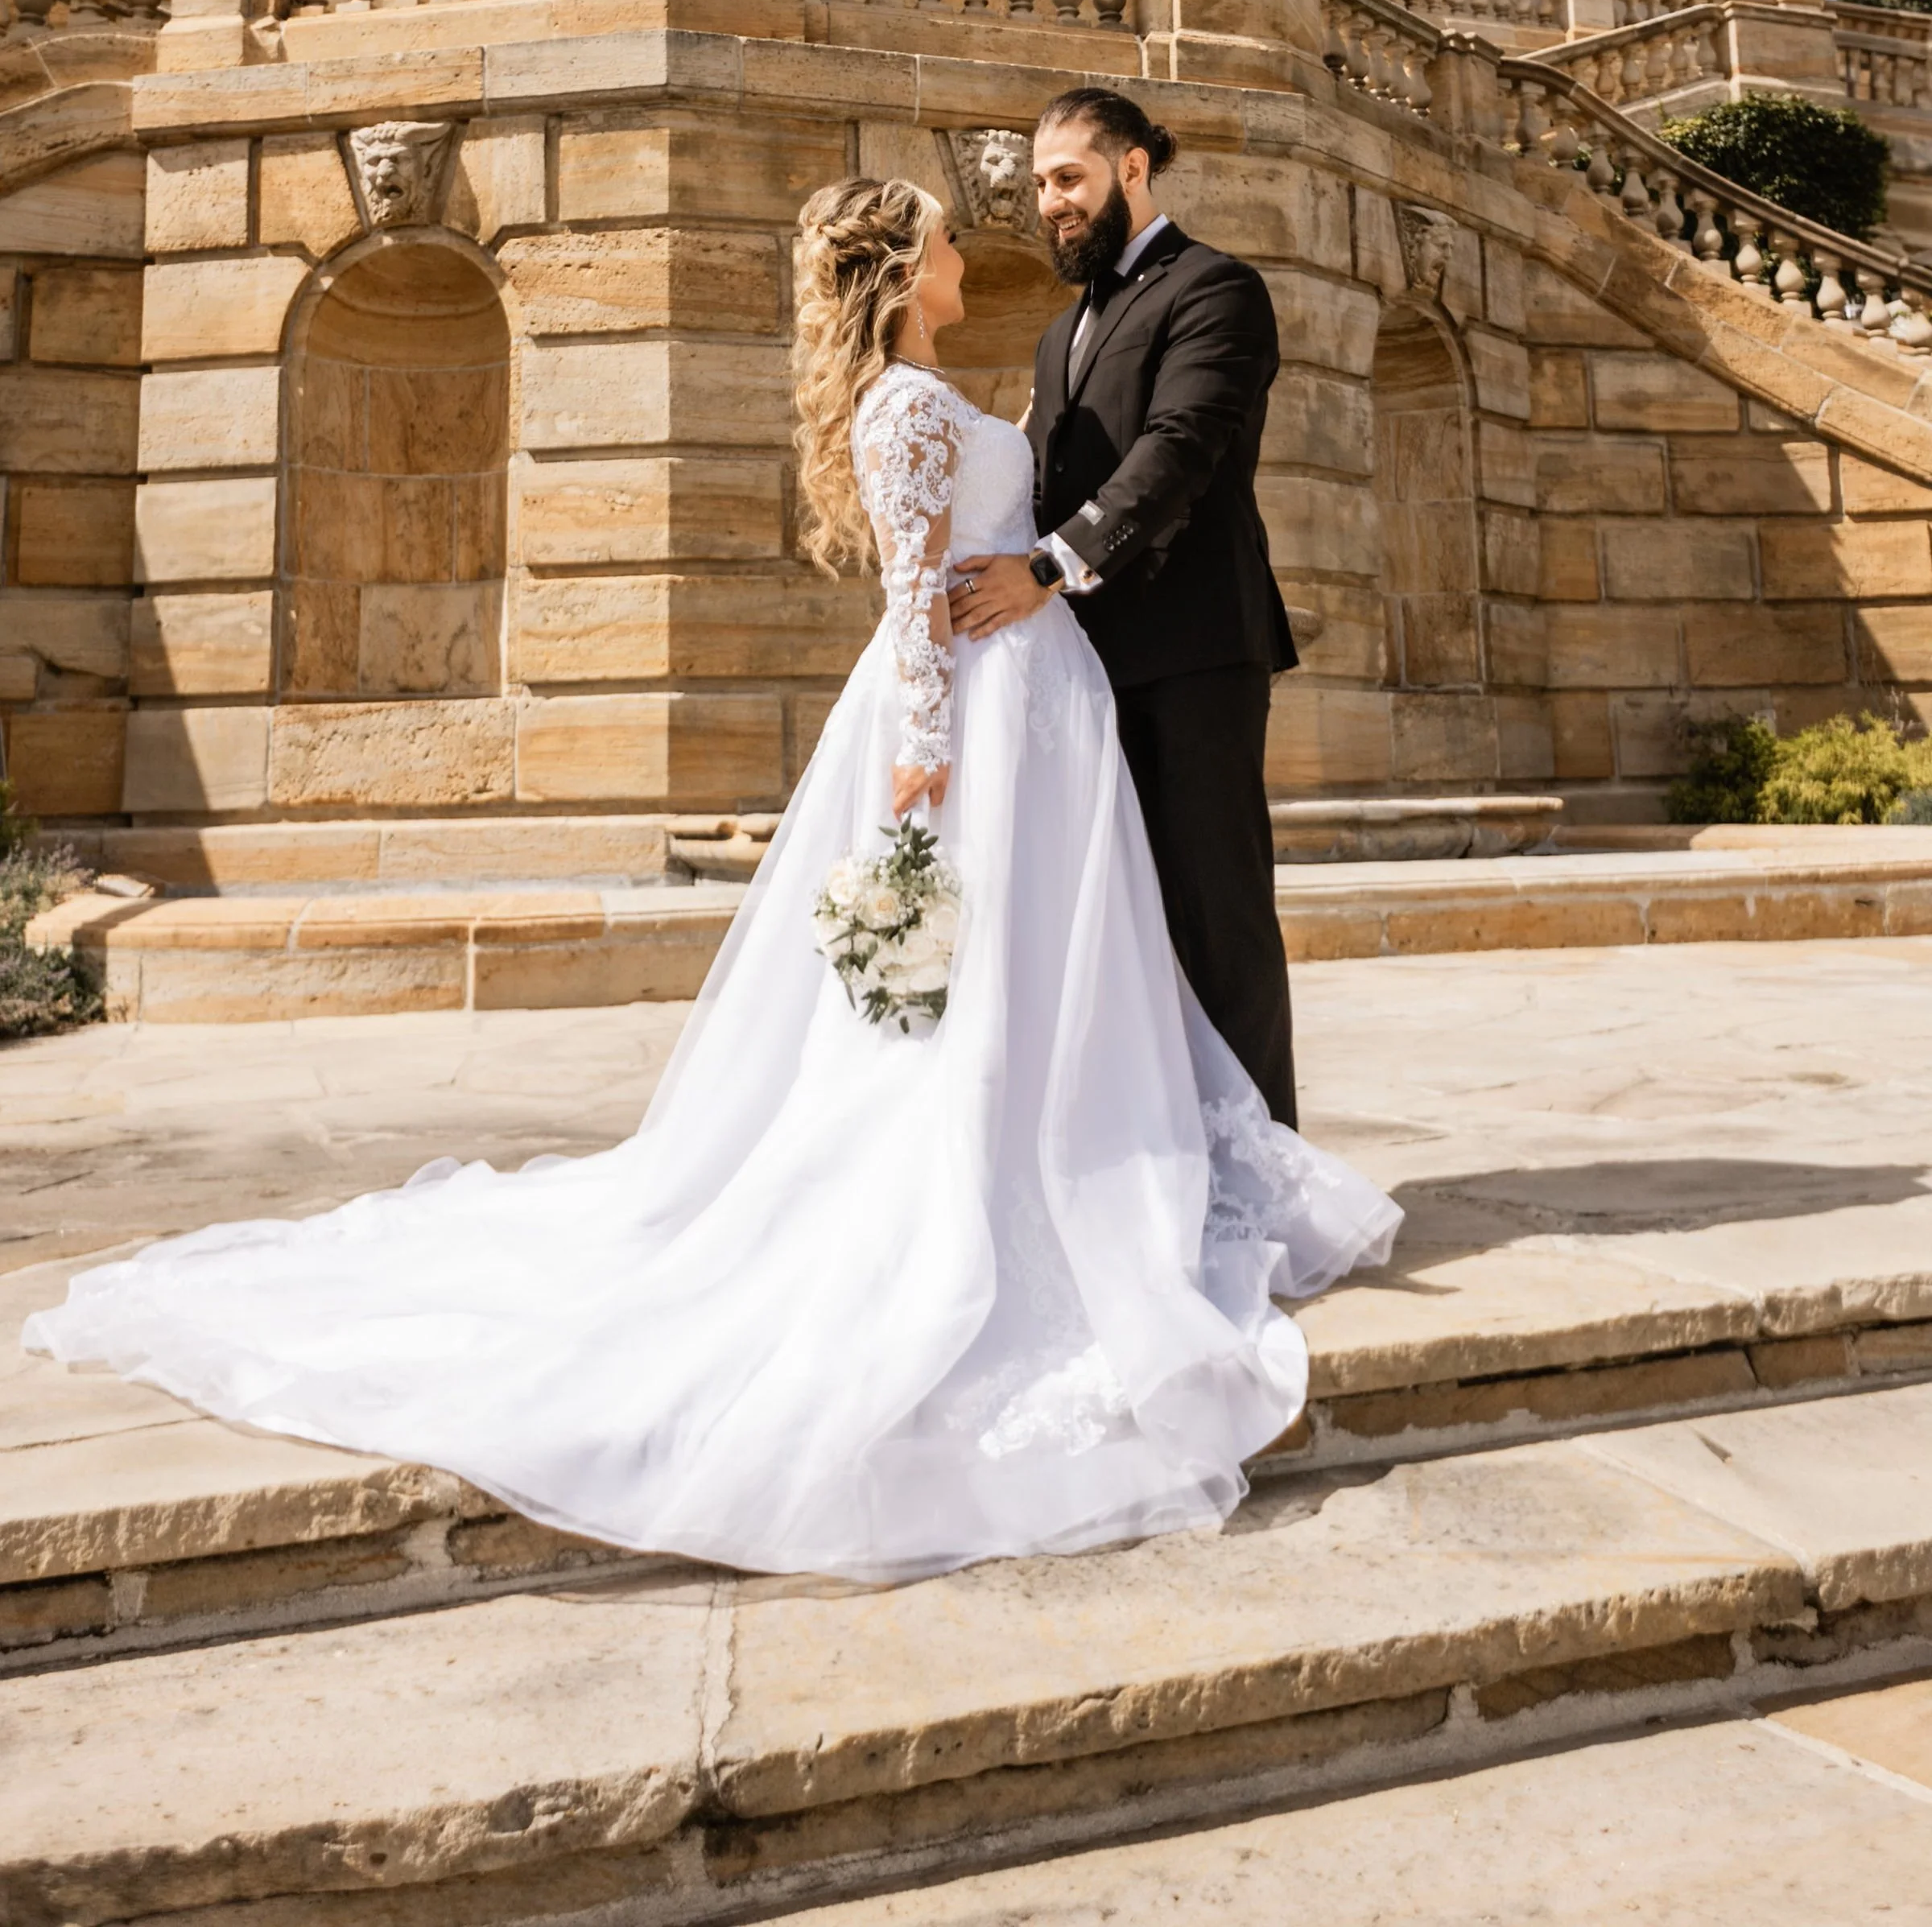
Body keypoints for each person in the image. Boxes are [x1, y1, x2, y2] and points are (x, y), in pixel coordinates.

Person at [23, 179, 1395, 1583]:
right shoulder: (904, 410)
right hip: (971, 720)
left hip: (1037, 704)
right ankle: (987, 1181)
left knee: (1041, 959)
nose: (961, 252)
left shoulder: (932, 384)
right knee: (967, 966)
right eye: (938, 236)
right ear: (901, 265)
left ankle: (1057, 1140)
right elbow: (914, 599)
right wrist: (922, 769)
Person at [949, 89, 1299, 1124]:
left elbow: (1177, 453)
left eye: (1071, 178)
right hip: (1081, 673)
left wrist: (1047, 571)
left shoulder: (1217, 290)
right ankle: (1155, 1163)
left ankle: (1261, 1172)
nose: (1051, 202)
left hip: (1193, 658)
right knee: (1109, 926)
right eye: (1042, 184)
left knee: (1214, 918)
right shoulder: (1060, 334)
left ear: (1134, 168)